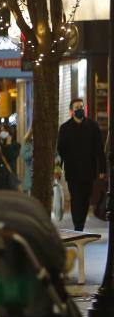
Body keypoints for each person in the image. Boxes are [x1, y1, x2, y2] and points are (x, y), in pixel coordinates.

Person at [57, 98, 106, 231]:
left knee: (85, 199)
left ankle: (80, 224)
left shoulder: (93, 126)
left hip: (88, 170)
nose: (80, 109)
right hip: (72, 171)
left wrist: (102, 168)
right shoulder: (65, 128)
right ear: (71, 111)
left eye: (81, 106)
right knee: (75, 198)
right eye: (77, 107)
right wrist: (58, 168)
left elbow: (99, 149)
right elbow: (60, 150)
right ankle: (78, 226)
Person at [0, 123, 21, 191]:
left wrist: (8, 144)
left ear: (10, 133)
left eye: (5, 131)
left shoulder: (16, 146)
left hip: (9, 180)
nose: (3, 132)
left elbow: (11, 156)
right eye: (1, 131)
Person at [21, 126, 34, 195]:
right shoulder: (27, 141)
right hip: (30, 173)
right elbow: (24, 156)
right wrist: (33, 152)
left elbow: (56, 154)